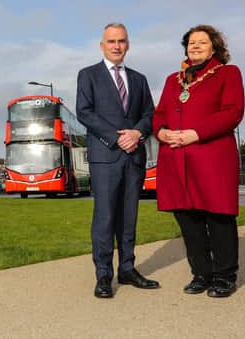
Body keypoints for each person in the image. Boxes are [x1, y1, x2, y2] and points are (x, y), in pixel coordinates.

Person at [152, 24, 244, 298]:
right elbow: (159, 114)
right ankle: (201, 274)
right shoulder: (173, 80)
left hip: (212, 158)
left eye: (202, 42)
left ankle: (225, 276)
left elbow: (233, 112)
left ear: (214, 47)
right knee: (188, 221)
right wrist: (161, 131)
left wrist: (195, 134)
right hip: (176, 160)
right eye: (191, 42)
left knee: (218, 218)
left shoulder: (228, 73)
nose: (195, 46)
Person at [76, 23, 159, 298]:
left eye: (121, 41)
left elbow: (150, 114)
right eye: (111, 41)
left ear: (128, 44)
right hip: (106, 157)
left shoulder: (139, 79)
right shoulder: (88, 75)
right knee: (105, 217)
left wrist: (137, 132)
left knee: (128, 216)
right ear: (102, 45)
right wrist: (116, 137)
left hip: (134, 156)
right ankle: (103, 275)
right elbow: (84, 113)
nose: (116, 45)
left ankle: (127, 269)